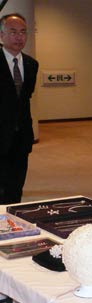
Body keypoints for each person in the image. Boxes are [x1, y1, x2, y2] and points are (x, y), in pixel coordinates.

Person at [0, 13, 39, 205]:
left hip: (21, 136)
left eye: (23, 32)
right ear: (1, 35)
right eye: (13, 32)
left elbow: (25, 99)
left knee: (16, 186)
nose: (19, 37)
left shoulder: (32, 64)